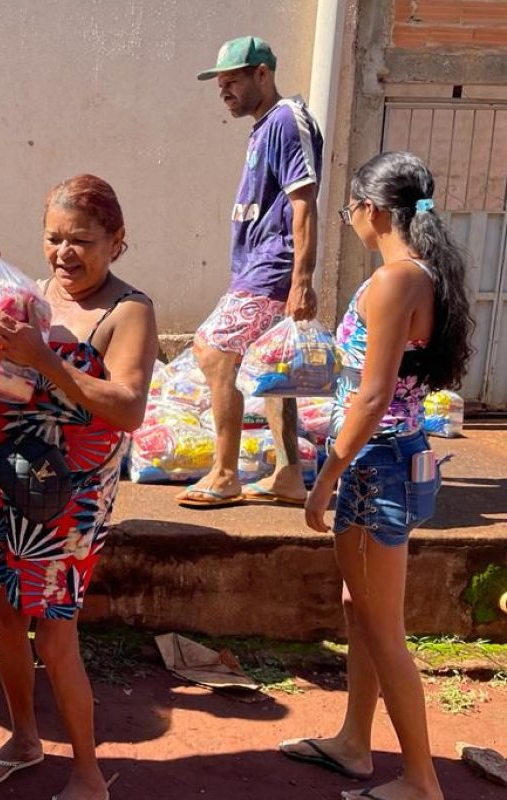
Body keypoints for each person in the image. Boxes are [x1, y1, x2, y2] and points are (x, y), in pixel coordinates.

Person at [0, 175, 157, 800]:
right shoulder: (31, 296)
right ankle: (22, 738)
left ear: (118, 242)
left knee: (55, 632)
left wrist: (43, 358)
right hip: (1, 483)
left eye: (82, 240)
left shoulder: (129, 312)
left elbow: (125, 408)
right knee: (3, 616)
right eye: (53, 238)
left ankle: (89, 776)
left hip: (66, 501)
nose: (65, 253)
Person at [280, 151, 473, 800]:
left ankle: (421, 779)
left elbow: (370, 397)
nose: (350, 221)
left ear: (371, 209)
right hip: (400, 458)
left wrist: (326, 474)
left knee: (384, 631)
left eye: (349, 210)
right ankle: (354, 743)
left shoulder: (393, 281)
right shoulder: (421, 275)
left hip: (374, 466)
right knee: (360, 609)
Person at [178, 35, 322, 508]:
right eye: (220, 84)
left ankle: (224, 474)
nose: (225, 92)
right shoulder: (264, 126)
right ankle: (287, 474)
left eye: (233, 81)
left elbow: (304, 203)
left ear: (263, 73)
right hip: (257, 263)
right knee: (273, 369)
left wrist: (301, 281)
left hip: (273, 264)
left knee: (215, 349)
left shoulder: (286, 120)